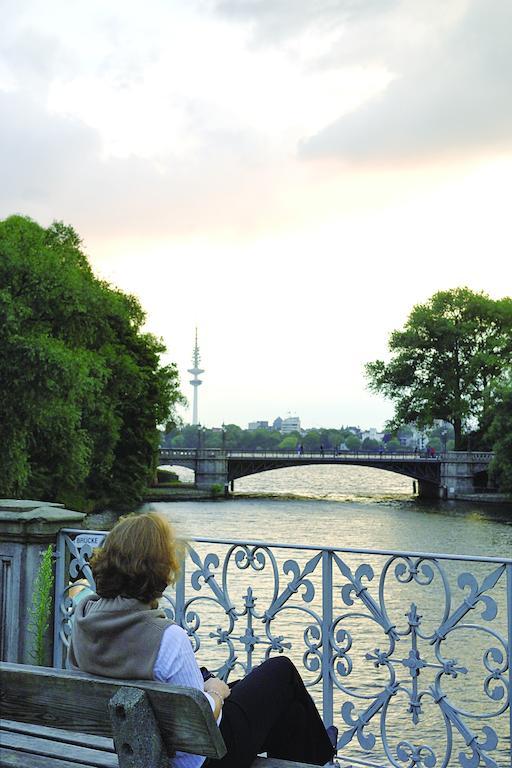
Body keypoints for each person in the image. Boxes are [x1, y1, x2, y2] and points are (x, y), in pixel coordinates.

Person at [67, 512, 335, 768]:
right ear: (160, 569)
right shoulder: (167, 637)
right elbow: (202, 717)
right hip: (202, 757)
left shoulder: (83, 618)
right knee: (281, 671)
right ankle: (323, 758)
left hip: (127, 744)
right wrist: (215, 692)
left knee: (290, 712)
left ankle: (316, 755)